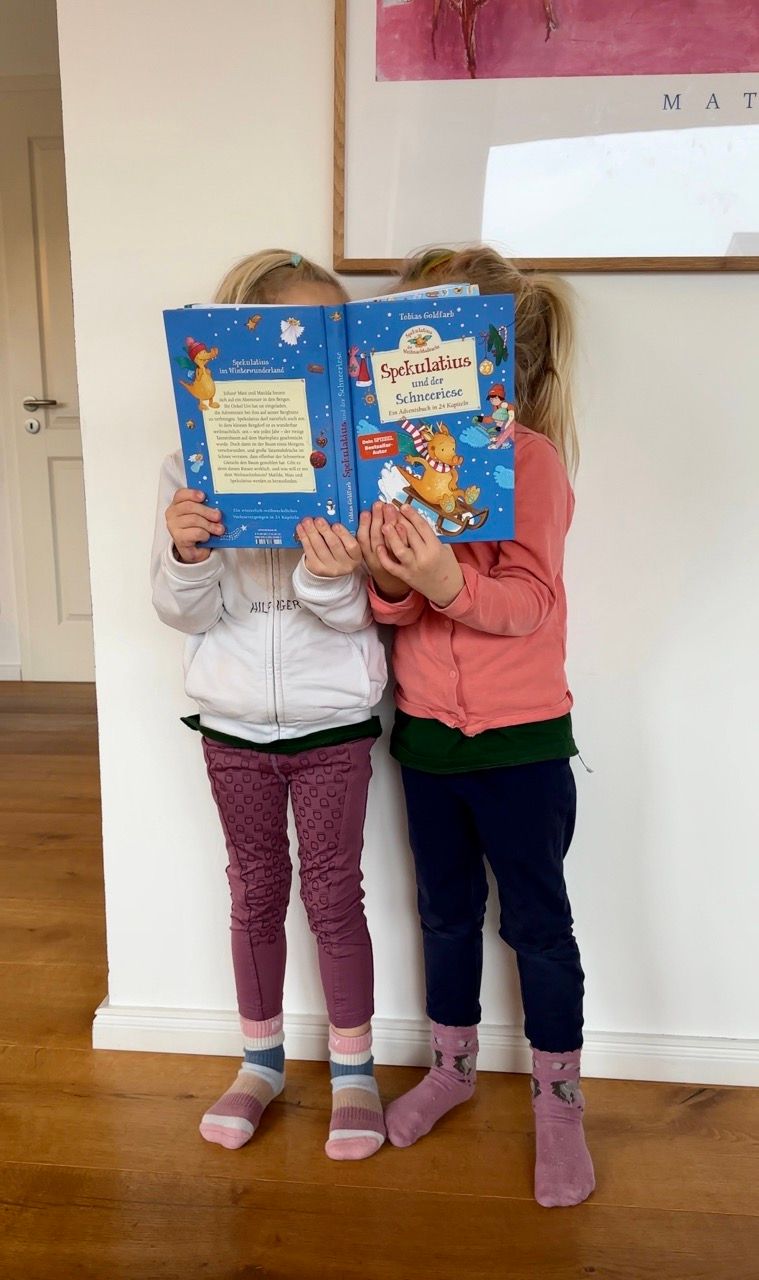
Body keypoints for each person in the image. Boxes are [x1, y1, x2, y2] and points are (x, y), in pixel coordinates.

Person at [356, 245, 594, 1207]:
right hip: (426, 737)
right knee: (443, 913)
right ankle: (450, 1068)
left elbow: (529, 601)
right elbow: (397, 611)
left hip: (522, 740)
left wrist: (444, 578)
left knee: (536, 925)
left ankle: (558, 1102)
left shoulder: (529, 462)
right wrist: (392, 581)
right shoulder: (395, 464)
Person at [151, 250, 387, 1161]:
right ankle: (260, 1063)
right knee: (254, 892)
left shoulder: (360, 463)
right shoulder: (187, 465)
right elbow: (181, 611)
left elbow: (363, 614)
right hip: (233, 724)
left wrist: (330, 577)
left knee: (333, 894)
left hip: (334, 722)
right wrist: (188, 553)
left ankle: (354, 1072)